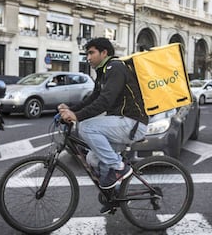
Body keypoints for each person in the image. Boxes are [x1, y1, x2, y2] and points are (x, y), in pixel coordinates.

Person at [58, 37, 149, 193]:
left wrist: (77, 116)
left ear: (104, 52)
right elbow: (94, 98)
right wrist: (71, 109)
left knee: (86, 127)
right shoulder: (103, 72)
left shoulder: (115, 67)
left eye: (91, 53)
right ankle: (117, 193)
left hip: (132, 123)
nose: (88, 58)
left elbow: (105, 101)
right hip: (122, 123)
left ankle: (119, 168)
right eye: (87, 54)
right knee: (93, 158)